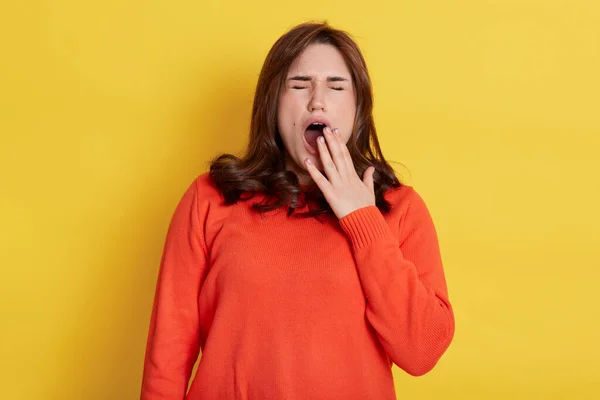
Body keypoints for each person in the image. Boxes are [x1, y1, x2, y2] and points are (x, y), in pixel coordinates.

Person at [140, 21, 455, 400]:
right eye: (300, 84)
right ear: (272, 102)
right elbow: (168, 355)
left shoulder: (399, 209)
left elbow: (422, 351)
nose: (317, 100)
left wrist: (362, 220)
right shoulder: (209, 198)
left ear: (358, 109)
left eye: (336, 86)